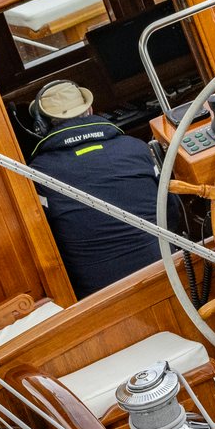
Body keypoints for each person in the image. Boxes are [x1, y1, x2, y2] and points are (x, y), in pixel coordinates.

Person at [27, 78, 163, 297]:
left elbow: (47, 242)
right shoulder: (136, 148)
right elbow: (172, 211)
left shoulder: (39, 173)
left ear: (41, 126)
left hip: (99, 296)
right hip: (166, 268)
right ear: (90, 110)